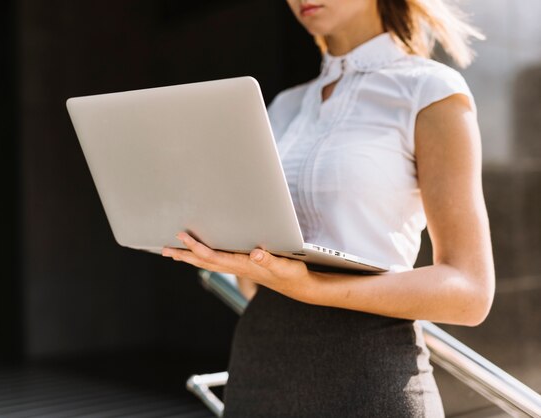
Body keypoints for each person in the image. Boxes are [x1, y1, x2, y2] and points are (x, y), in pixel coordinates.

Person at [162, 0, 495, 416]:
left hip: (369, 378)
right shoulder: (283, 107)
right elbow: (259, 279)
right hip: (259, 372)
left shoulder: (430, 91)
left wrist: (313, 288)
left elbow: (470, 293)